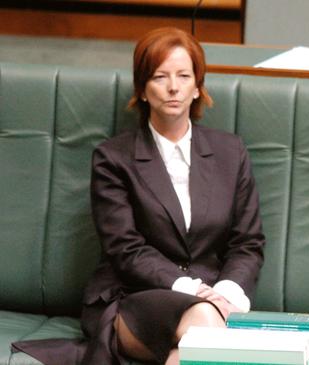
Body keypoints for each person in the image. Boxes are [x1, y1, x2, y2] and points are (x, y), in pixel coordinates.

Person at [13, 27, 265, 364]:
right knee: (206, 325)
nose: (173, 87)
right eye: (160, 77)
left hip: (213, 302)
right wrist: (190, 289)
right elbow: (125, 248)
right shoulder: (113, 158)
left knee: (191, 347)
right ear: (143, 90)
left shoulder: (230, 152)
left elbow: (247, 242)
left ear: (198, 87)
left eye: (184, 76)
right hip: (132, 298)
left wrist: (226, 293)